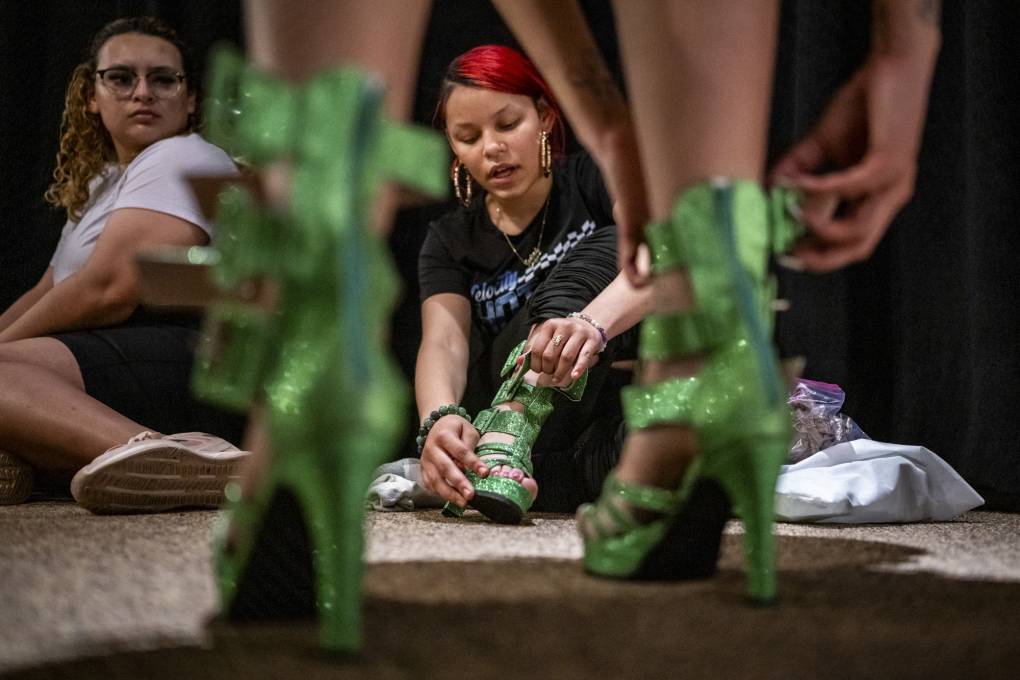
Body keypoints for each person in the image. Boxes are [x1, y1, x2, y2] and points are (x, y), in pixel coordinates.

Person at [491, 0, 940, 600]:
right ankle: (708, 378)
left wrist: (606, 127)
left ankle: (680, 405)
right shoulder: (452, 240)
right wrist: (905, 53)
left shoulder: (574, 195)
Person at [0, 17, 248, 512]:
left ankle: (182, 457)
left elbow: (111, 288)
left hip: (191, 359)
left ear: (191, 97)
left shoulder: (180, 155)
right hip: (122, 355)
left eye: (163, 79)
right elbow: (50, 290)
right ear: (91, 94)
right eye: (121, 78)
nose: (143, 93)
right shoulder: (104, 186)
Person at [415, 44, 651, 522]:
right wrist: (438, 420)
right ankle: (511, 424)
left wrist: (590, 324)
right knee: (611, 239)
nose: (491, 148)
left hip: (594, 404)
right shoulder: (449, 239)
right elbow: (444, 342)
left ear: (544, 116)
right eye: (467, 136)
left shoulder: (591, 179)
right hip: (501, 405)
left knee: (665, 448)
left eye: (507, 125)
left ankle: (523, 476)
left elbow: (656, 257)